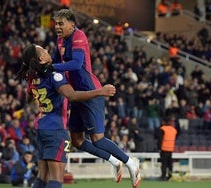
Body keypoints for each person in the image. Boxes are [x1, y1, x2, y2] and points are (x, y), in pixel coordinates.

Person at [51, 9, 141, 187]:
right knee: (77, 140)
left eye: (61, 23)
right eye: (56, 23)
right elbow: (56, 60)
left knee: (97, 138)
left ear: (72, 24)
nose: (57, 27)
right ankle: (113, 161)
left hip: (91, 91)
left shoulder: (79, 36)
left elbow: (76, 64)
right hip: (77, 95)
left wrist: (50, 67)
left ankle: (130, 162)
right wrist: (46, 66)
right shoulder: (60, 40)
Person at [15, 43, 117, 188]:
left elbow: (29, 99)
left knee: (42, 177)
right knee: (56, 179)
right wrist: (100, 91)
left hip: (41, 128)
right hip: (56, 130)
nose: (46, 49)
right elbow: (72, 96)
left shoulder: (32, 77)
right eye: (42, 50)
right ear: (41, 59)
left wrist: (43, 107)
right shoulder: (54, 76)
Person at [157, 114, 178, 181]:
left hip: (164, 149)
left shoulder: (162, 129)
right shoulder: (174, 130)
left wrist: (159, 148)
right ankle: (170, 176)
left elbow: (160, 140)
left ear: (163, 121)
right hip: (171, 149)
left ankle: (163, 177)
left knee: (164, 164)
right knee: (170, 164)